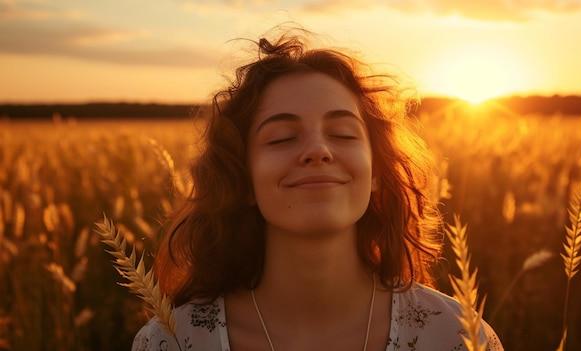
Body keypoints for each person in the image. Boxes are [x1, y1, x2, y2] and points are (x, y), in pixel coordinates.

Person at [131, 27, 504, 351]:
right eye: (282, 138)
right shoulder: (174, 341)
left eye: (342, 133)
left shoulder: (457, 337)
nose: (317, 151)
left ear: (375, 171)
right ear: (242, 179)